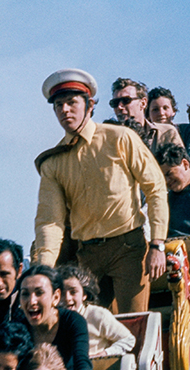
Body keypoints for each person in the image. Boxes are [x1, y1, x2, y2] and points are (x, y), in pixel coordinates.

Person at [33, 68, 168, 315]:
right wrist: (44, 269)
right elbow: (49, 221)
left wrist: (158, 245)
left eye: (72, 102)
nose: (65, 110)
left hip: (128, 247)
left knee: (133, 325)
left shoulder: (119, 138)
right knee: (88, 334)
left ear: (90, 105)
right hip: (87, 256)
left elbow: (156, 187)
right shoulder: (52, 162)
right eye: (59, 105)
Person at [16, 263, 95, 370]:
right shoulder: (18, 328)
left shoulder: (72, 321)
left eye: (39, 293)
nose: (32, 301)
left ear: (56, 297)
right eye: (25, 294)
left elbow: (82, 361)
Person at [57, 263, 136, 358]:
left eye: (73, 292)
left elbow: (128, 339)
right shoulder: (53, 319)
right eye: (62, 293)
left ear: (84, 294)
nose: (67, 298)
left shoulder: (97, 314)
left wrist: (103, 355)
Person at [106, 78, 182, 154]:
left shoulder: (166, 134)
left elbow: (180, 164)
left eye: (126, 100)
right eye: (115, 103)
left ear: (143, 103)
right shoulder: (108, 138)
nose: (119, 107)